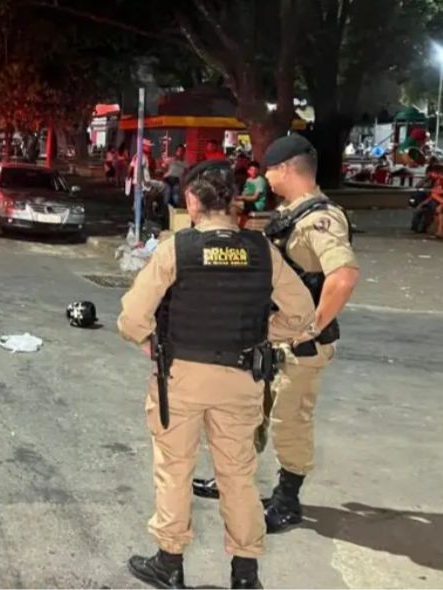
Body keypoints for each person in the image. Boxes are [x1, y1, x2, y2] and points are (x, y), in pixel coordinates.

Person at [119, 160, 316, 589]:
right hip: (241, 377)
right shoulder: (263, 250)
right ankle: (245, 575)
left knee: (174, 468)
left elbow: (132, 318)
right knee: (238, 476)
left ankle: (169, 564)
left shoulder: (178, 248)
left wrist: (151, 342)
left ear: (191, 200)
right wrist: (262, 335)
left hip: (182, 378)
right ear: (233, 202)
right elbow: (302, 314)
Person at [192, 135, 360, 535]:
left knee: (289, 420)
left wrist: (311, 328)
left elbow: (343, 277)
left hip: (299, 346)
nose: (264, 176)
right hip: (272, 337)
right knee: (251, 412)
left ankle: (287, 499)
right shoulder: (293, 213)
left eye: (269, 169)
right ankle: (235, 480)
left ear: (286, 169)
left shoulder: (321, 219)